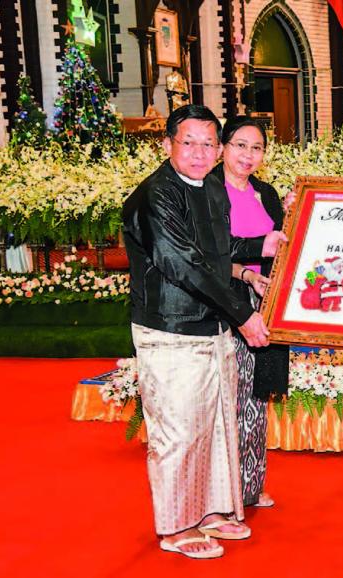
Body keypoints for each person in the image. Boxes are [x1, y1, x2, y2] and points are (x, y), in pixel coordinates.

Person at [122, 105, 285, 559]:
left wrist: (258, 250)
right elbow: (184, 263)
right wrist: (243, 314)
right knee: (178, 430)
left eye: (208, 143)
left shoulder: (209, 187)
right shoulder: (156, 195)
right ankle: (177, 526)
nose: (199, 153)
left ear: (217, 149)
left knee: (214, 425)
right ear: (168, 144)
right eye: (188, 142)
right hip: (171, 328)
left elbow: (217, 249)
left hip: (213, 326)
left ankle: (211, 509)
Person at [211, 116, 290, 509]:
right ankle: (222, 491)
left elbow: (283, 241)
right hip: (226, 303)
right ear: (223, 147)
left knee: (255, 394)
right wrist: (247, 269)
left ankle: (250, 485)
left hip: (264, 300)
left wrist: (295, 212)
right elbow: (210, 252)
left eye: (256, 148)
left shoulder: (265, 192)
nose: (248, 154)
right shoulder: (208, 190)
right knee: (228, 396)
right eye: (240, 145)